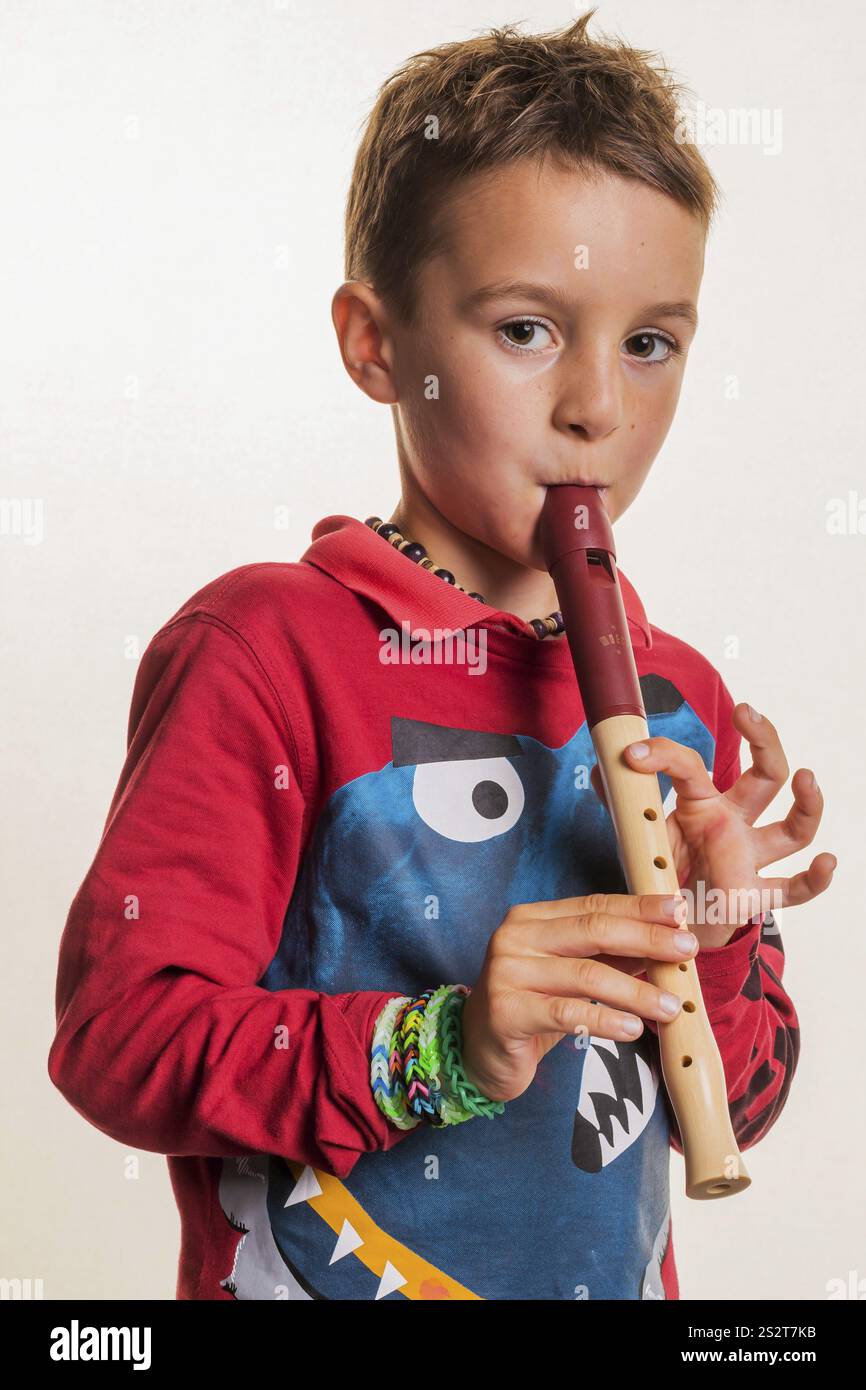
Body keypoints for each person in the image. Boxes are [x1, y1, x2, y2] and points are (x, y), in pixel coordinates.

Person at [48, 11, 836, 1300]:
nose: (598, 405)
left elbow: (733, 1113)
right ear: (377, 344)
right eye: (527, 329)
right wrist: (444, 1046)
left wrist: (720, 931)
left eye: (650, 341)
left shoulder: (681, 699)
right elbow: (117, 1042)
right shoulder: (266, 650)